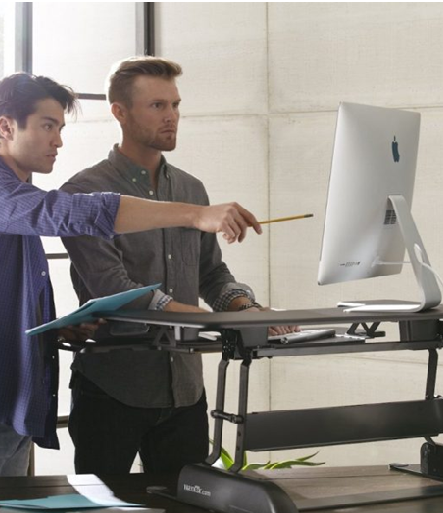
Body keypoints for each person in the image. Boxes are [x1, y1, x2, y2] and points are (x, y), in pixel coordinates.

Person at [0, 72, 262, 478]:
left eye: (59, 128)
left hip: (0, 406)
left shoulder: (12, 204)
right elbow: (69, 214)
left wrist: (53, 330)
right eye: (46, 126)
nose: (57, 140)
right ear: (6, 126)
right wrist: (195, 214)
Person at [60, 57, 296, 475]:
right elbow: (113, 288)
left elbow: (211, 273)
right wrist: (211, 321)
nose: (171, 117)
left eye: (175, 105)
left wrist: (243, 308)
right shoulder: (84, 193)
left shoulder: (191, 189)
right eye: (157, 106)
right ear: (119, 111)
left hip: (186, 392)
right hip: (113, 390)